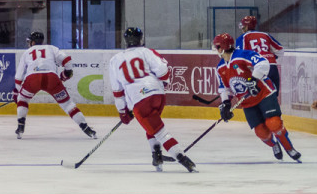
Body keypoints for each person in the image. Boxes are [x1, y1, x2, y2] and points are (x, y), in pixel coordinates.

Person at [109, 27, 197, 172]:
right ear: (141, 39)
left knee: (159, 131)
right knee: (152, 126)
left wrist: (123, 111)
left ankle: (183, 159)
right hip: (158, 95)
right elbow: (163, 71)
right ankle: (156, 155)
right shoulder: (147, 52)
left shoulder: (114, 60)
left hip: (140, 100)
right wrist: (161, 82)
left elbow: (118, 91)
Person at [213, 32, 301, 162]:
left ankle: (289, 148)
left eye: (217, 47)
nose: (215, 50)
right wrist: (226, 103)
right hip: (248, 101)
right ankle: (274, 144)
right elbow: (224, 88)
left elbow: (263, 63)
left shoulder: (242, 55)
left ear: (222, 48)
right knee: (261, 132)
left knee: (274, 123)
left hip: (264, 93)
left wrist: (253, 79)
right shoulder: (220, 67)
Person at [14, 31, 96, 140]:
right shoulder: (51, 48)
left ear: (33, 42)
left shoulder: (27, 52)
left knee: (23, 99)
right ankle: (86, 128)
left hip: (33, 79)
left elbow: (18, 77)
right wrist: (66, 72)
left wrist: (18, 92)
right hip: (51, 78)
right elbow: (67, 60)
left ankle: (20, 126)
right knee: (68, 105)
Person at [235, 16, 283, 91]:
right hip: (272, 67)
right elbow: (280, 50)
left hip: (257, 69)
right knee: (273, 96)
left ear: (246, 27)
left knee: (260, 98)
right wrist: (269, 57)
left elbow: (239, 56)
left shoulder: (243, 37)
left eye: (243, 27)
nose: (242, 29)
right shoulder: (265, 35)